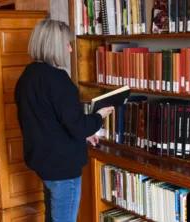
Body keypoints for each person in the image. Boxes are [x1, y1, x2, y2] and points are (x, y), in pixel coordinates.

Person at [14, 19, 114, 222]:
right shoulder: (58, 80)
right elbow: (76, 125)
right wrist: (99, 116)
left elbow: (46, 122)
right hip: (62, 169)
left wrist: (84, 137)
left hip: (43, 163)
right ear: (55, 46)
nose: (70, 50)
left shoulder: (27, 75)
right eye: (67, 44)